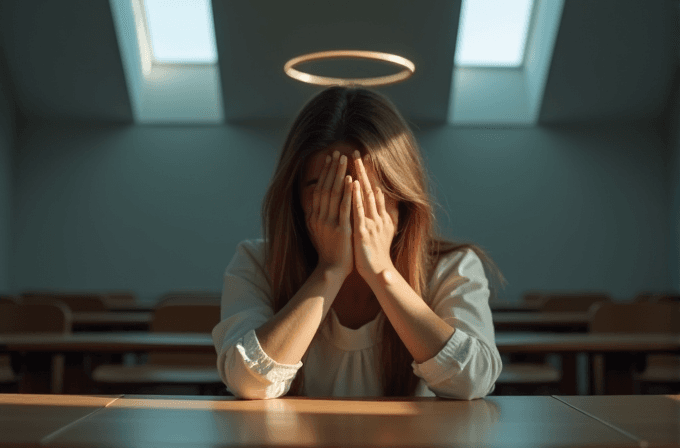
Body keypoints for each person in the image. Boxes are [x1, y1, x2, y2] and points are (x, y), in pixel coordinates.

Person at [211, 86, 507, 399]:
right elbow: (246, 380)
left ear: (400, 194)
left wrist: (382, 272)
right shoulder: (257, 261)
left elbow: (472, 381)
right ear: (295, 196)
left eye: (368, 188)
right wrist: (330, 270)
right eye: (327, 187)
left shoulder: (453, 266)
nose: (350, 204)